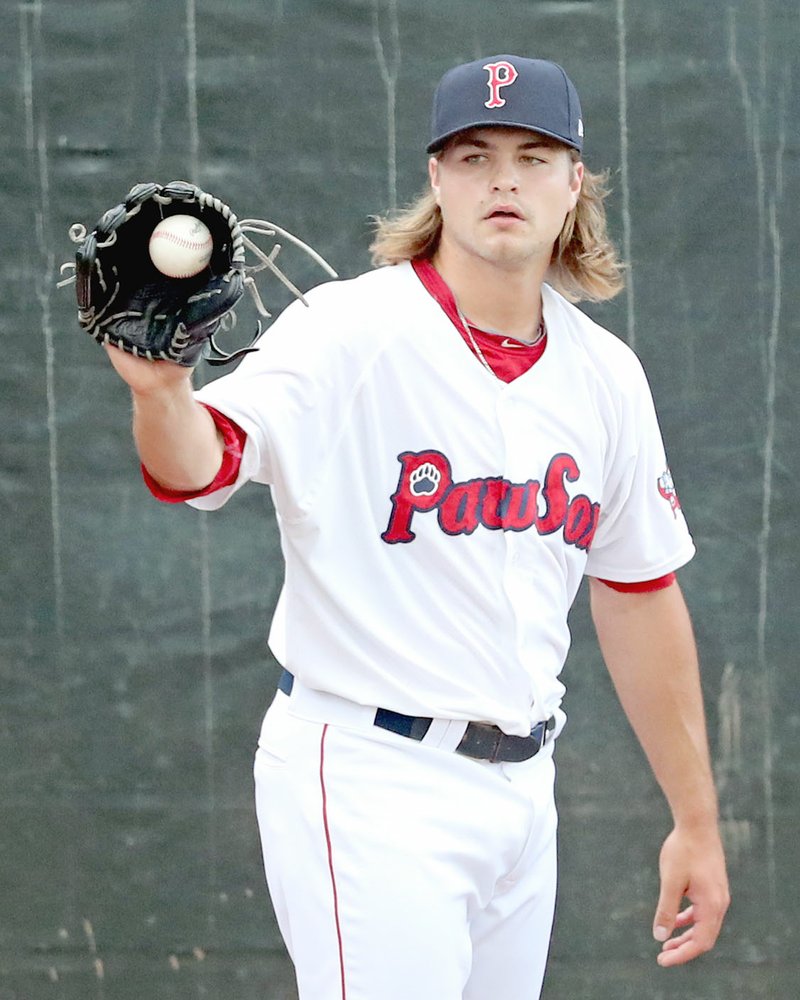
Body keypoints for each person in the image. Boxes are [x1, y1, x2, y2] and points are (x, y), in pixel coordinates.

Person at [105, 54, 729, 1000]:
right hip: (369, 772)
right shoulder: (345, 330)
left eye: (532, 154)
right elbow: (203, 464)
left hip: (525, 787)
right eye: (473, 156)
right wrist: (163, 391)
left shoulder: (606, 376)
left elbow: (639, 591)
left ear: (575, 184)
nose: (504, 179)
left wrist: (696, 818)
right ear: (437, 180)